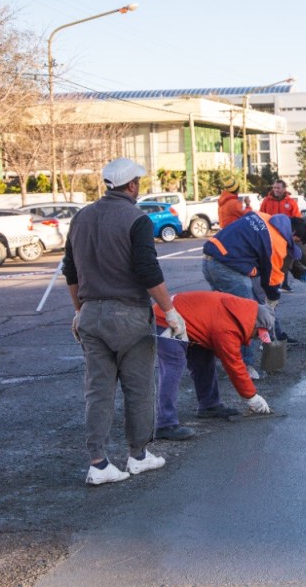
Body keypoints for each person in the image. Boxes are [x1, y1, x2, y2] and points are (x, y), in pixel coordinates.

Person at [63, 157, 186, 486]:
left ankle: (99, 463)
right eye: (138, 183)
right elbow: (148, 271)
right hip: (129, 316)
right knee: (139, 390)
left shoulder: (80, 218)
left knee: (98, 392)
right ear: (131, 185)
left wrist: (79, 311)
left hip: (90, 315)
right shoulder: (137, 219)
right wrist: (169, 310)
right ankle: (138, 456)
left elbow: (70, 272)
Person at [153, 292, 275, 439]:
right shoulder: (227, 327)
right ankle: (165, 424)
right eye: (257, 334)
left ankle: (209, 405)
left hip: (185, 320)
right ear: (255, 324)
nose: (255, 338)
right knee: (173, 365)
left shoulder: (239, 310)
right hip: (166, 319)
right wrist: (252, 397)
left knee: (204, 357)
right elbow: (233, 364)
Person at [201, 211, 306, 378]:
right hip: (228, 268)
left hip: (209, 260)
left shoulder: (263, 216)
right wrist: (272, 302)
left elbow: (247, 240)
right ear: (293, 234)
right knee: (245, 317)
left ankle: (219, 358)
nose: (290, 247)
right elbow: (272, 279)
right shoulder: (278, 242)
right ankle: (244, 367)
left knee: (224, 315)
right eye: (295, 242)